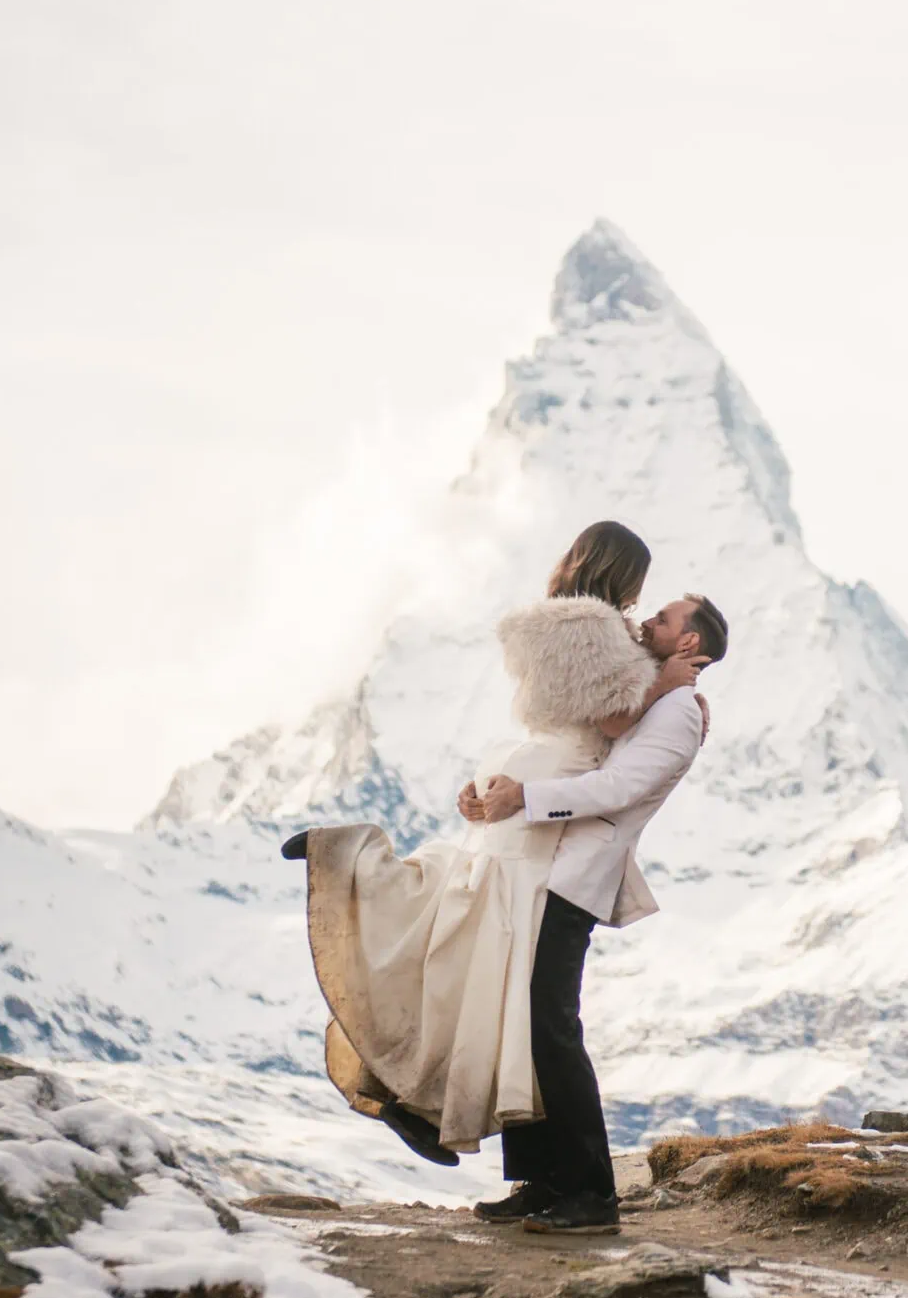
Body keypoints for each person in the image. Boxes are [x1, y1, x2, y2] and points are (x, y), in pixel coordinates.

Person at [287, 521, 709, 1168]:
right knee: (485, 972)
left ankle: (427, 1100)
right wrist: (667, 681)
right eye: (638, 589)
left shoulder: (558, 623)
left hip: (527, 780)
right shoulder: (596, 630)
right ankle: (351, 860)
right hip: (540, 808)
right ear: (620, 575)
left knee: (465, 950)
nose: (641, 608)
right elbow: (615, 717)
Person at [461, 587, 728, 1236]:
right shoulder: (657, 696)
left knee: (553, 1030)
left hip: (578, 878)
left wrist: (526, 798)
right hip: (551, 866)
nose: (646, 622)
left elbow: (621, 785)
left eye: (662, 620)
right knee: (532, 1027)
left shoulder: (682, 712)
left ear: (689, 643)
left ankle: (590, 1193)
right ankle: (542, 1182)